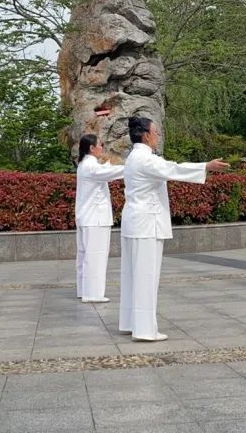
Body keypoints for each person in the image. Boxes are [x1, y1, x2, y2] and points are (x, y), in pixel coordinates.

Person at [119, 117, 230, 341]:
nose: (157, 136)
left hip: (136, 221)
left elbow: (169, 167)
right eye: (156, 132)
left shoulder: (134, 157)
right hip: (146, 224)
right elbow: (172, 169)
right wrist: (205, 166)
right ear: (146, 135)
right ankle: (144, 330)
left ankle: (133, 323)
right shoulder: (145, 159)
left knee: (134, 276)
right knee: (146, 277)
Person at [75, 134, 125, 303]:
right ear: (92, 148)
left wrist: (109, 163)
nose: (102, 147)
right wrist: (132, 166)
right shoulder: (91, 166)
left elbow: (105, 171)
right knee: (96, 256)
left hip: (87, 217)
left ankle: (84, 290)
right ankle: (93, 294)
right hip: (94, 218)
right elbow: (110, 173)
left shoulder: (84, 165)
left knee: (84, 256)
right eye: (100, 145)